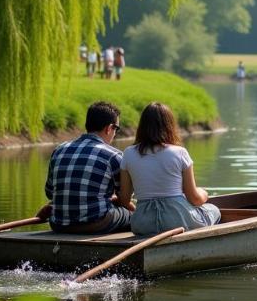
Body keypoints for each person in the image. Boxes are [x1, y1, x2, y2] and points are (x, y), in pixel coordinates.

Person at [119, 102, 220, 235]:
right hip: (176, 220)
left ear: (142, 126)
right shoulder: (180, 152)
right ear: (169, 126)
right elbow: (194, 198)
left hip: (142, 224)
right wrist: (204, 193)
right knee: (214, 210)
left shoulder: (128, 153)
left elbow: (125, 199)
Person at [39, 101, 133, 234]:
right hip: (96, 223)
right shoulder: (114, 156)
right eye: (116, 129)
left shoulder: (59, 150)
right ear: (109, 128)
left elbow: (49, 193)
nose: (115, 133)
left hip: (58, 224)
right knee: (129, 215)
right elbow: (124, 200)